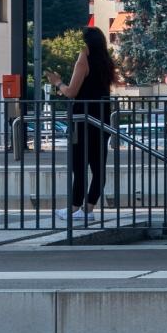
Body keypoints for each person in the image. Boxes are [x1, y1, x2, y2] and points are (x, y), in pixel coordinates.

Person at [47, 26, 117, 225]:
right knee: (98, 167)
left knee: (79, 165)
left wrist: (57, 82)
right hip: (101, 118)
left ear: (86, 44)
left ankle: (74, 208)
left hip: (83, 119)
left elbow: (71, 91)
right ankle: (88, 209)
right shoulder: (106, 62)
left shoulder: (83, 60)